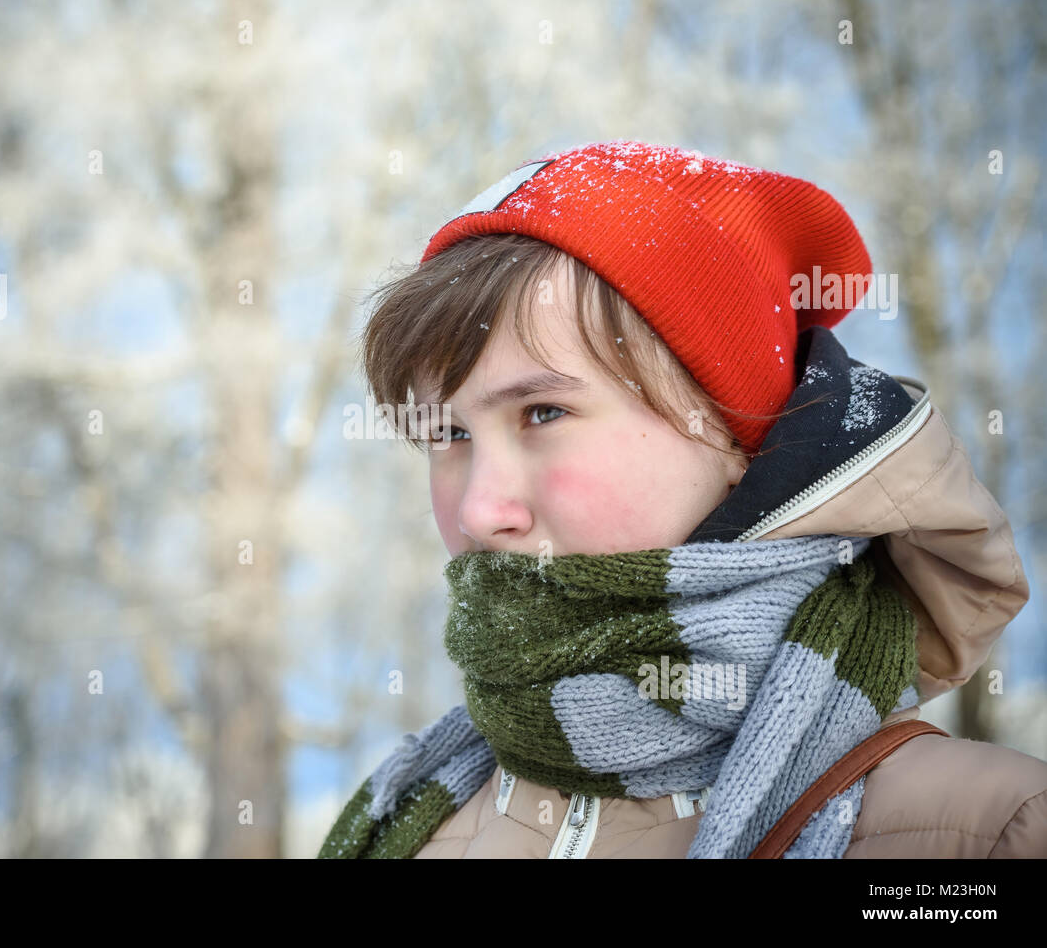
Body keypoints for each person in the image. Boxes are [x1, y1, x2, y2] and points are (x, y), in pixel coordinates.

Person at [319, 140, 1047, 858]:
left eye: (543, 412)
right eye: (447, 432)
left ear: (735, 437)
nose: (480, 510)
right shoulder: (404, 817)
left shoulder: (990, 834)